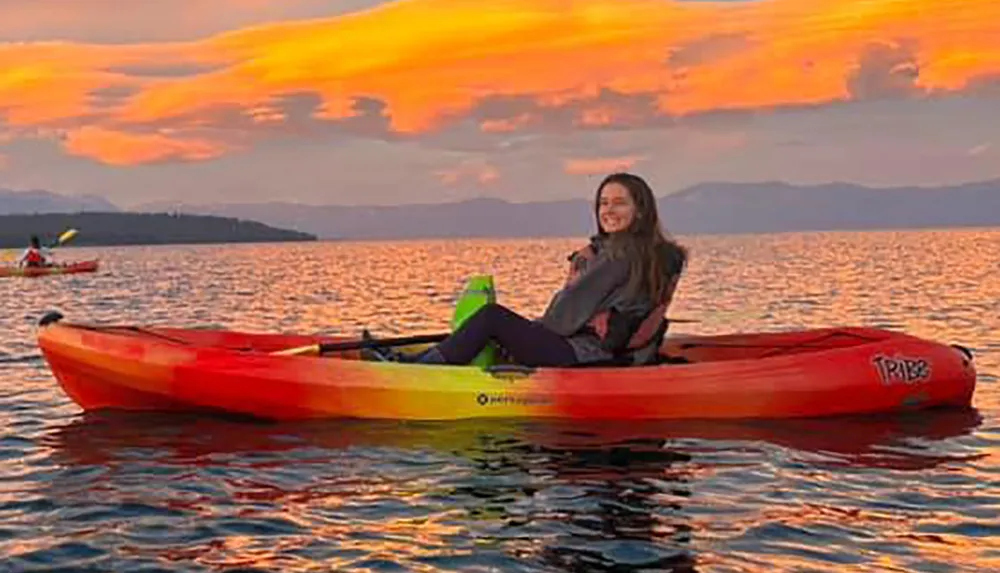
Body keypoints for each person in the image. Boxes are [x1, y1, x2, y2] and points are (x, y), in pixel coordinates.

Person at [370, 172, 688, 367]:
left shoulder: (620, 253)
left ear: (640, 209)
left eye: (619, 203)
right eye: (603, 203)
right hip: (620, 355)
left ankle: (418, 370)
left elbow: (565, 314)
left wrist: (526, 335)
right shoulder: (657, 254)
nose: (608, 210)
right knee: (501, 330)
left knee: (492, 317)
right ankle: (429, 358)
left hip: (586, 355)